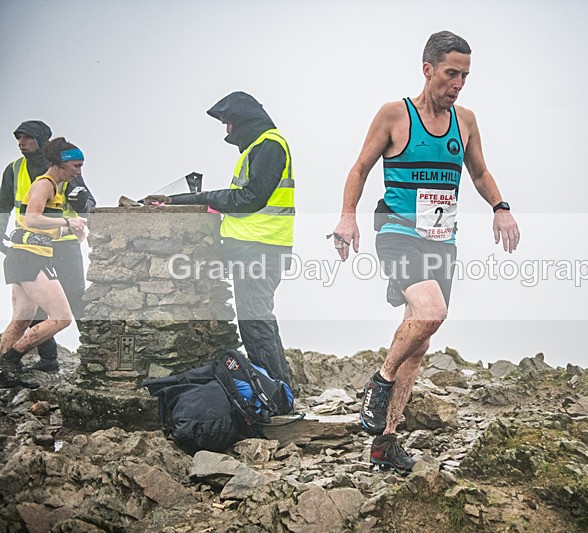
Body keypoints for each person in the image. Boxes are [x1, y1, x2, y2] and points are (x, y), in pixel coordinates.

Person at [331, 31, 521, 474]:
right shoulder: (395, 114)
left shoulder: (465, 121)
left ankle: (385, 442)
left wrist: (501, 208)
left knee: (419, 344)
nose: (458, 84)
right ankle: (379, 381)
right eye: (451, 73)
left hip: (442, 242)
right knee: (432, 311)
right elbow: (360, 168)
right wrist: (347, 217)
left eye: (465, 76)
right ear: (428, 69)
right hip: (397, 232)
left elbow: (479, 172)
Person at [144, 92, 294, 387]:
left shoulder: (269, 146)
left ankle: (274, 393)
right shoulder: (263, 145)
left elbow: (249, 198)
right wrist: (181, 200)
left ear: (243, 120)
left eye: (228, 123)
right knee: (259, 319)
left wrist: (200, 198)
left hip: (258, 247)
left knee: (255, 322)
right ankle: (279, 388)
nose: (227, 130)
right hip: (260, 245)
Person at [0, 121, 96, 373]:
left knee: (32, 314)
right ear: (61, 163)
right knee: (55, 314)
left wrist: (76, 221)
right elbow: (15, 211)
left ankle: (91, 355)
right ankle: (33, 360)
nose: (21, 143)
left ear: (42, 141)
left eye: (27, 137)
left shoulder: (66, 174)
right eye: (19, 138)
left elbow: (87, 204)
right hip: (30, 251)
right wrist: (68, 222)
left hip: (59, 247)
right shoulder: (25, 173)